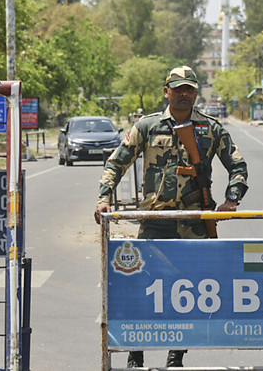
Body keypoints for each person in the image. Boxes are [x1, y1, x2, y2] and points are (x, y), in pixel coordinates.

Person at [94, 66, 248, 368]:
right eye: (178, 89)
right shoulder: (147, 126)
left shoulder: (211, 128)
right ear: (167, 92)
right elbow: (116, 163)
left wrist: (232, 200)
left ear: (196, 93)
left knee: (189, 290)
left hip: (194, 223)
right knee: (141, 287)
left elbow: (238, 166)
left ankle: (176, 355)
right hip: (155, 221)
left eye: (189, 89)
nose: (184, 94)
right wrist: (103, 199)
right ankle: (135, 353)